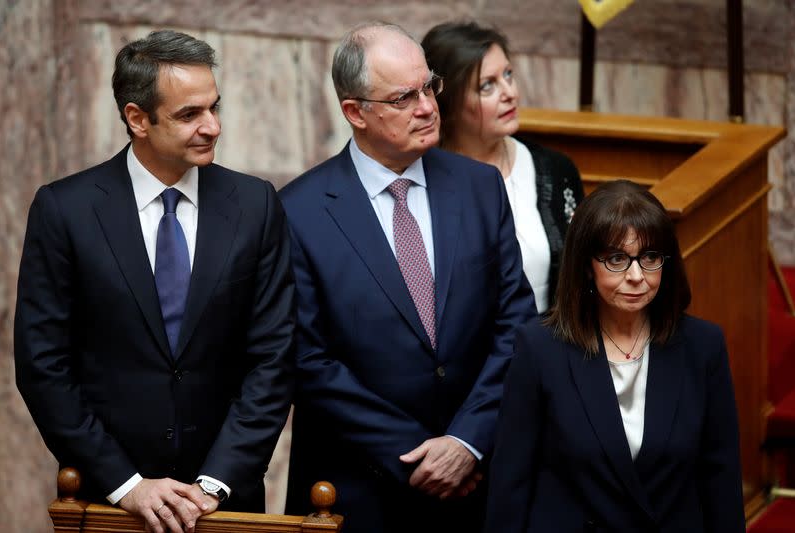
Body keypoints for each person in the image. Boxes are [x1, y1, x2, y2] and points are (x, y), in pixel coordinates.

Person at [14, 30, 294, 533]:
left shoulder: (256, 205)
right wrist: (127, 483)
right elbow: (43, 366)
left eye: (214, 107)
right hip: (107, 501)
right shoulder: (65, 210)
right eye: (189, 114)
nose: (212, 126)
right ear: (136, 118)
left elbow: (274, 356)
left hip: (227, 502)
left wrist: (216, 482)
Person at [279, 22, 536, 533]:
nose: (426, 107)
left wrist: (465, 442)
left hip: (478, 483)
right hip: (356, 490)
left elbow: (516, 324)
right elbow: (309, 360)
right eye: (403, 97)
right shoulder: (298, 211)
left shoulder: (480, 188)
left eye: (429, 87)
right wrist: (415, 456)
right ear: (355, 112)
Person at [484, 179, 745, 532]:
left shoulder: (703, 346)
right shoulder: (540, 349)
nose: (637, 276)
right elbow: (511, 483)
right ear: (586, 265)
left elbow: (720, 480)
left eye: (650, 257)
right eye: (617, 259)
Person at [422, 21, 584, 311]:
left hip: (551, 348)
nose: (509, 92)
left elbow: (583, 275)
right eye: (488, 86)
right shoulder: (422, 179)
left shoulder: (556, 170)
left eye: (508, 75)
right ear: (449, 103)